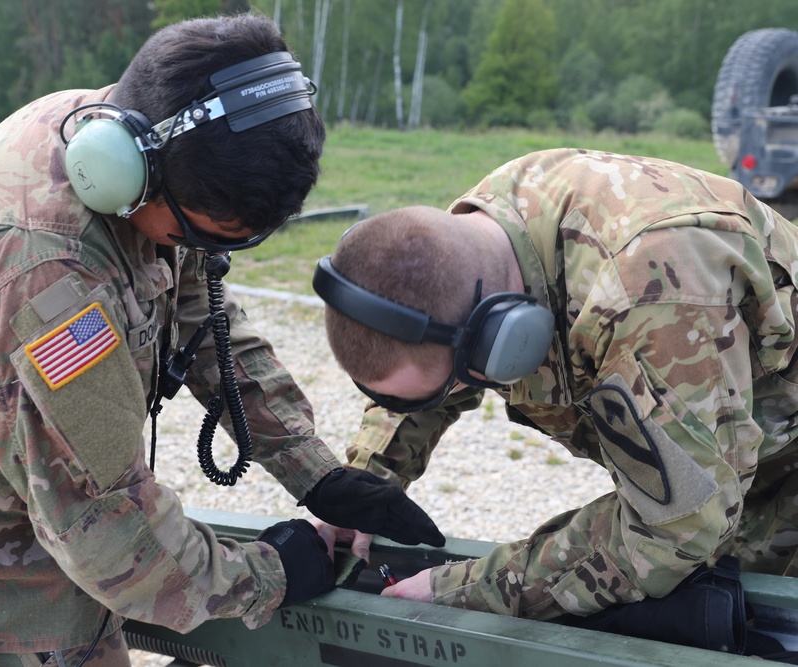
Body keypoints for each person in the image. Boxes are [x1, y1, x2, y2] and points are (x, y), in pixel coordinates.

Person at [0, 13, 443, 667]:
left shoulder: (138, 137)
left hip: (48, 560)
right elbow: (107, 526)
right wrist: (265, 576)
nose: (210, 253)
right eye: (206, 233)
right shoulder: (44, 280)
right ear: (128, 172)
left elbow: (204, 315)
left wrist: (317, 470)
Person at [312, 148, 798, 628]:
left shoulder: (646, 294)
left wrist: (464, 589)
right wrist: (366, 483)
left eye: (459, 379)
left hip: (784, 461)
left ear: (506, 336)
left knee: (751, 621)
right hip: (727, 438)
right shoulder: (475, 239)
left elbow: (677, 531)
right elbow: (429, 370)